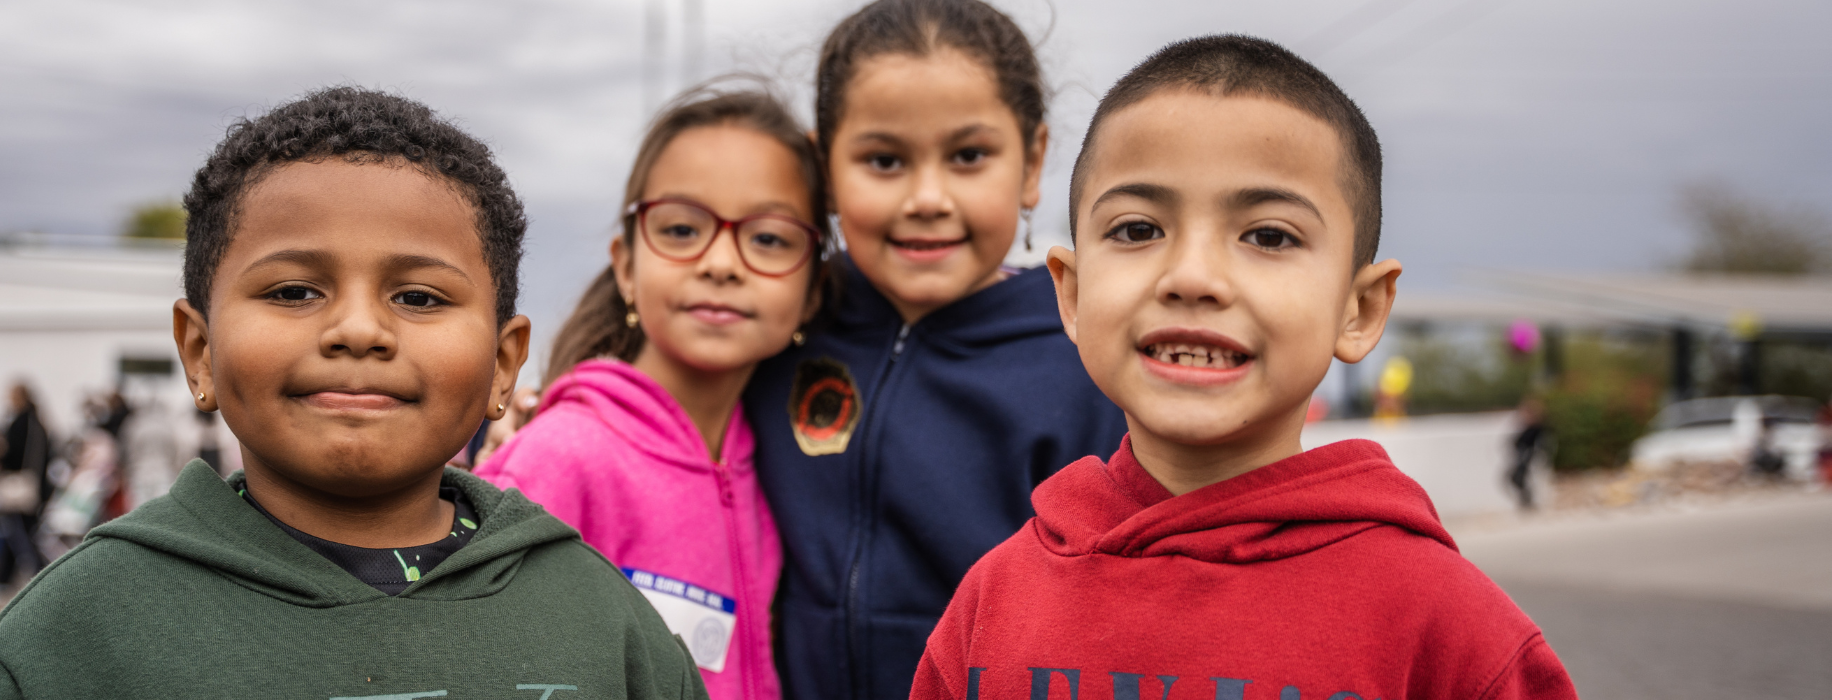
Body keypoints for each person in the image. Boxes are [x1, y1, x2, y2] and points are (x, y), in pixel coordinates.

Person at [0, 87, 707, 699]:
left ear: (504, 365)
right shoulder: (68, 640)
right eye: (295, 290)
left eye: (419, 298)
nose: (358, 329)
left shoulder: (608, 629)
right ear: (199, 351)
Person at [911, 36, 1576, 700]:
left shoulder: (1445, 626)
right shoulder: (994, 599)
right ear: (1074, 294)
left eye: (1267, 236)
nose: (1193, 277)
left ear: (1360, 308)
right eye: (1139, 229)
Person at [739, 3, 1129, 698]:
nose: (927, 197)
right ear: (824, 166)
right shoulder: (774, 329)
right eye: (884, 160)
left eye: (968, 157)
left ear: (1033, 161)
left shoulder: (1087, 364)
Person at [477, 84, 826, 700]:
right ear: (627, 268)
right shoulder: (562, 457)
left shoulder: (781, 465)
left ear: (813, 291)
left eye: (769, 238)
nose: (721, 262)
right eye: (682, 228)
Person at [0, 383, 50, 597]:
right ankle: (4, 577)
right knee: (18, 531)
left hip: (21, 484)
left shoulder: (22, 423)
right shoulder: (36, 422)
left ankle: (39, 574)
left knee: (19, 532)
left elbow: (13, 454)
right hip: (33, 483)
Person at [1507, 397, 1548, 510]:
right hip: (1524, 457)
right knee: (1517, 479)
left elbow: (1534, 445)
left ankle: (1528, 502)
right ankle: (1526, 501)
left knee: (1522, 478)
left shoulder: (1536, 428)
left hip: (1528, 458)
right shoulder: (1528, 428)